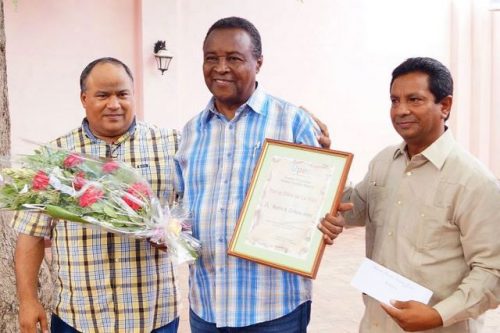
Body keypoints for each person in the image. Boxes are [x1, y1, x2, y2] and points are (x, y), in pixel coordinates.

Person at [174, 17, 349, 332]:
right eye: (211, 58)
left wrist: (327, 222)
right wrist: (170, 232)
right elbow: (184, 208)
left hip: (274, 309)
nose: (221, 67)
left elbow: (319, 201)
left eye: (234, 58)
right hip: (206, 306)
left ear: (259, 63)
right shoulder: (190, 133)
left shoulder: (292, 123)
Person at [12, 57, 181, 333]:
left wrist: (174, 235)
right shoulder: (56, 157)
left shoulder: (171, 145)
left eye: (122, 94)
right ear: (84, 98)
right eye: (103, 95)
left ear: (133, 95)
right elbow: (30, 234)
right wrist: (28, 300)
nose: (114, 104)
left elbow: (194, 217)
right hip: (79, 318)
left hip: (154, 317)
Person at [344, 57, 500, 332]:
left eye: (414, 100)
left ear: (445, 106)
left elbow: (491, 272)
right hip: (376, 323)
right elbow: (353, 210)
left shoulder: (474, 181)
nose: (400, 110)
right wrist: (321, 161)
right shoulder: (384, 162)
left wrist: (438, 315)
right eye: (394, 100)